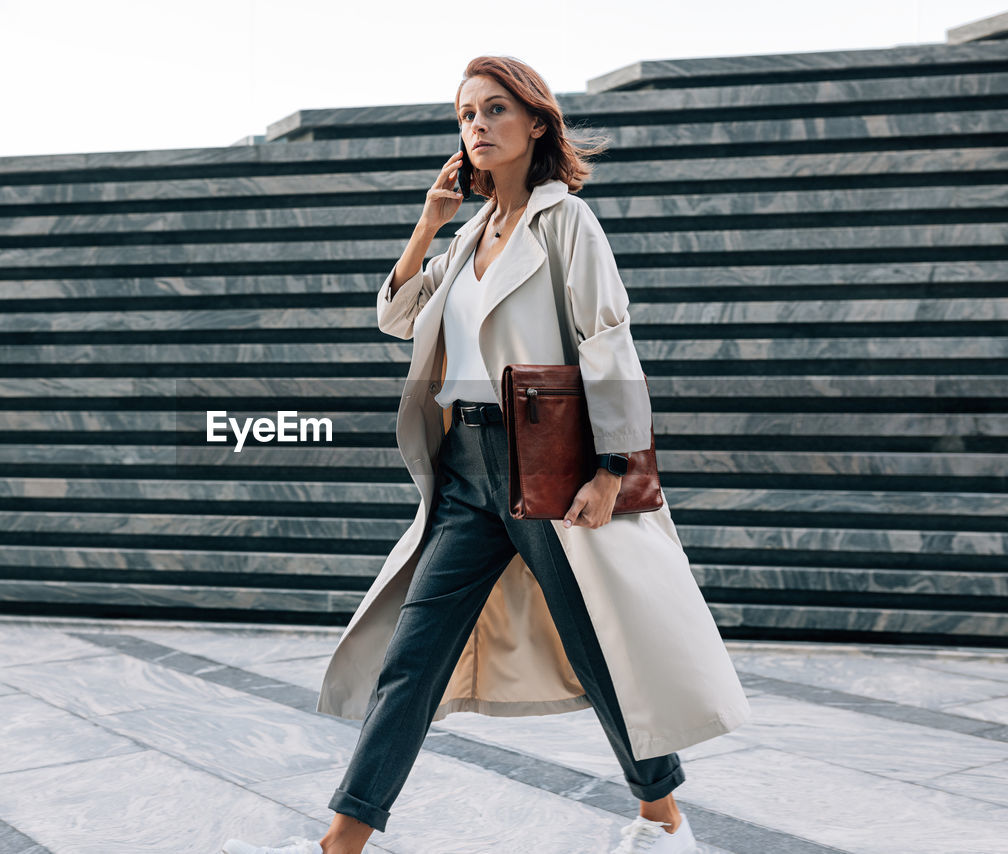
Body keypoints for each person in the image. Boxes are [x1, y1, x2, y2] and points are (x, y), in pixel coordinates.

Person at [223, 55, 744, 854]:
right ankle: (342, 843)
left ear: (537, 121)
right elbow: (398, 318)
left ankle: (662, 817)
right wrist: (429, 222)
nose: (477, 127)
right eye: (466, 115)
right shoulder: (467, 237)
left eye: (495, 110)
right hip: (465, 470)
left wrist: (612, 473)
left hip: (548, 468)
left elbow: (609, 343)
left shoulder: (567, 222)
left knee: (598, 648)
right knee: (412, 658)